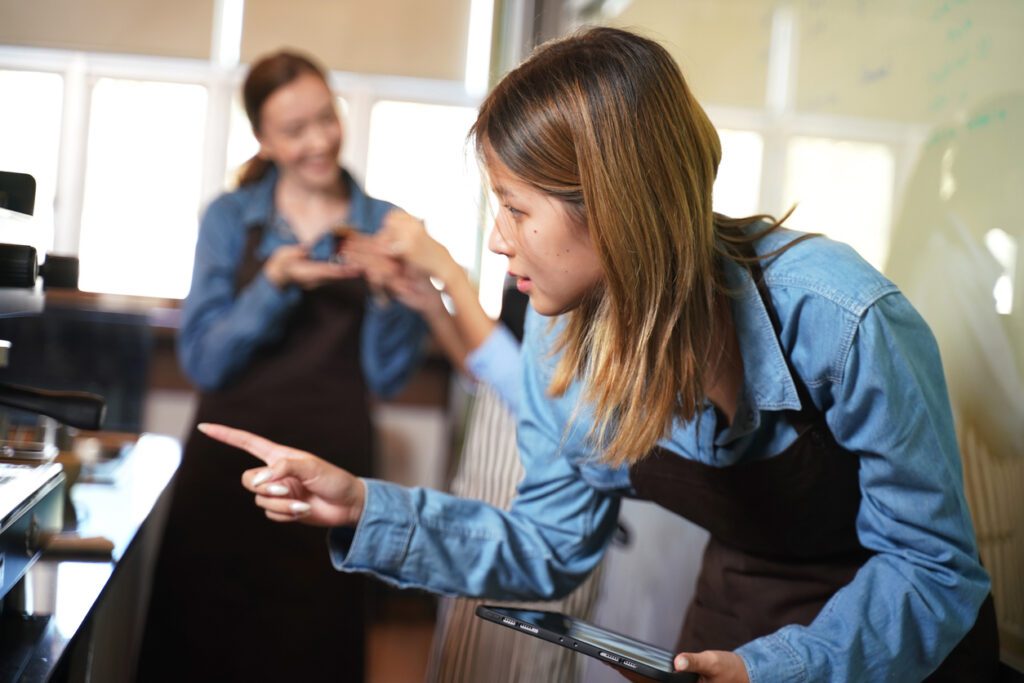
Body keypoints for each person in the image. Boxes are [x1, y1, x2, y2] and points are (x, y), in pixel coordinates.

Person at [198, 28, 1000, 682]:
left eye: (514, 208)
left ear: (614, 205)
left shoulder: (844, 319)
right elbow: (550, 546)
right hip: (738, 616)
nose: (495, 238)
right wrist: (366, 506)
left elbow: (932, 569)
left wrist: (779, 669)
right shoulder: (561, 328)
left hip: (901, 646)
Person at [136, 50, 427, 682]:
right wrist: (274, 281)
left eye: (327, 118)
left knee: (312, 650)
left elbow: (387, 379)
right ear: (264, 140)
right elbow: (204, 362)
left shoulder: (384, 225)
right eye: (296, 131)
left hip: (334, 477)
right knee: (196, 645)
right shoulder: (231, 216)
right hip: (227, 475)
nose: (321, 140)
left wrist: (387, 295)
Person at [371, 215, 604, 682]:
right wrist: (435, 305)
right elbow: (488, 374)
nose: (501, 233)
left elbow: (537, 397)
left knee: (526, 655)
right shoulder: (529, 253)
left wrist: (449, 271)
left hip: (545, 487)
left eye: (514, 205)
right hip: (490, 465)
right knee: (467, 642)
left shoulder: (584, 262)